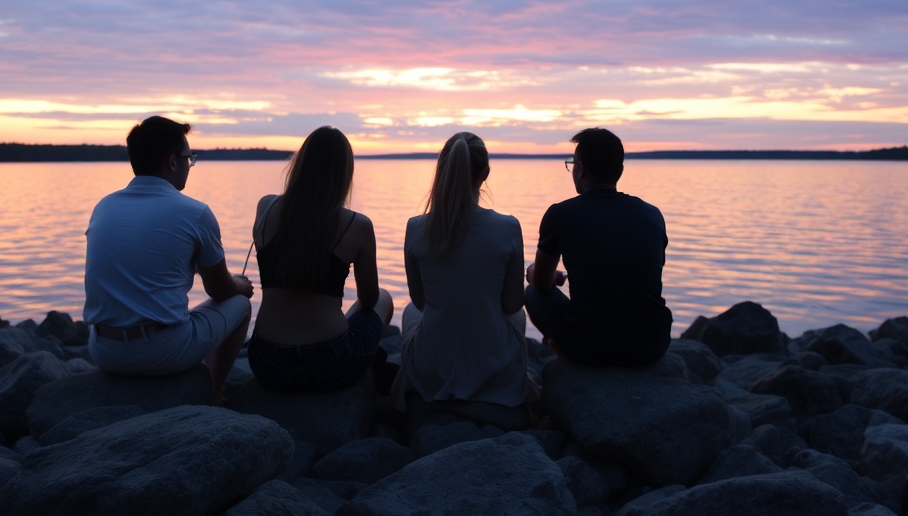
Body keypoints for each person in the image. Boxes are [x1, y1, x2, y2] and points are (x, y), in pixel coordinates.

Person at [83, 116, 253, 401]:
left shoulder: (104, 206)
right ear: (173, 162)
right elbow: (219, 289)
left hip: (104, 351)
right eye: (190, 158)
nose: (190, 165)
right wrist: (241, 285)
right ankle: (215, 392)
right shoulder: (195, 212)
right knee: (240, 304)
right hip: (162, 351)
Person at [390, 132, 532, 411]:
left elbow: (421, 302)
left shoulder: (416, 227)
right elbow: (512, 303)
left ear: (442, 171)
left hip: (431, 366)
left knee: (410, 311)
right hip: (492, 365)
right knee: (519, 314)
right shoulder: (508, 228)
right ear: (486, 174)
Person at [247, 126, 393, 391]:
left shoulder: (266, 207)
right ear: (344, 173)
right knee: (384, 298)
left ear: (300, 164)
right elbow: (369, 299)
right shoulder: (356, 225)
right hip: (329, 364)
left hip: (268, 363)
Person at [525, 127, 672, 366]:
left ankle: (563, 349)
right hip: (651, 346)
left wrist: (532, 272)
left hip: (591, 349)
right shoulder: (652, 214)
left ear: (580, 169)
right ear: (620, 171)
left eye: (572, 165)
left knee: (532, 293)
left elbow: (541, 283)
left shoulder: (560, 214)